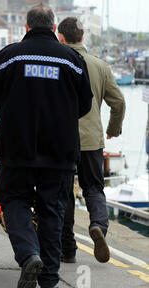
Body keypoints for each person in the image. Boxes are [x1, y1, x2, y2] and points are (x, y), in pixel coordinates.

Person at [0, 4, 93, 288]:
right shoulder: (73, 60)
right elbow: (85, 104)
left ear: (26, 27)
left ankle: (29, 255)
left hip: (16, 148)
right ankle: (50, 281)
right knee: (52, 210)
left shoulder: (8, 57)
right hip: (60, 150)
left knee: (14, 200)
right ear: (54, 29)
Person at [58, 17, 126, 264]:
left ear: (61, 38)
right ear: (83, 37)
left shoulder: (59, 64)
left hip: (62, 140)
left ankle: (68, 249)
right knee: (94, 189)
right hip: (92, 140)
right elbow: (118, 102)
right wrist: (113, 129)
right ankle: (98, 226)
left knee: (63, 194)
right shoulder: (100, 66)